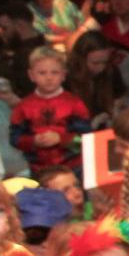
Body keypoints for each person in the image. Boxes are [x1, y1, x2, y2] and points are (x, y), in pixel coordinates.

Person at [8, 46, 87, 175]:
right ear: (31, 75)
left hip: (72, 169)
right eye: (42, 73)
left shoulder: (75, 104)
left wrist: (61, 139)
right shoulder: (23, 107)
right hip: (38, 169)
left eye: (54, 72)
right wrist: (33, 141)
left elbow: (86, 139)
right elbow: (15, 138)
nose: (49, 78)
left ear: (63, 75)